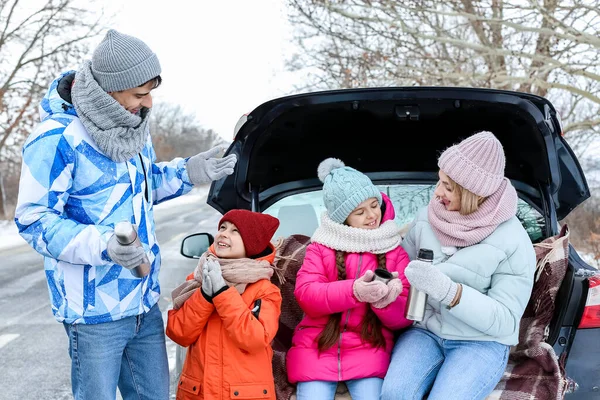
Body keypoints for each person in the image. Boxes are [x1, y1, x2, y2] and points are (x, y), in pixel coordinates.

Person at [14, 29, 237, 400]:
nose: (148, 102)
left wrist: (188, 172)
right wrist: (104, 245)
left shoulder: (132, 128)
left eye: (150, 92)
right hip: (94, 314)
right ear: (108, 90)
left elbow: (142, 188)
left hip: (143, 303)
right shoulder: (57, 138)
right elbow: (34, 219)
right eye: (139, 93)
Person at [381, 131, 536, 400]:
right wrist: (385, 284)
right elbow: (402, 272)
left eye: (448, 187)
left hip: (480, 343)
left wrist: (451, 293)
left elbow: (505, 320)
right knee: (395, 395)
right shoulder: (425, 218)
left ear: (471, 193)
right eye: (439, 181)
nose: (438, 192)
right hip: (425, 332)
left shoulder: (513, 240)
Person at [286, 158, 412, 400]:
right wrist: (355, 292)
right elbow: (307, 295)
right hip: (316, 348)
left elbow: (404, 318)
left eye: (375, 205)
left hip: (370, 350)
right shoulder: (320, 248)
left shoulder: (395, 250)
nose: (372, 216)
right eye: (360, 212)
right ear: (343, 217)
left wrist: (385, 302)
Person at [166, 209, 282, 399]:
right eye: (223, 227)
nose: (224, 233)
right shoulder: (199, 280)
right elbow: (179, 333)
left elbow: (254, 339)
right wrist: (204, 295)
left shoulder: (265, 290)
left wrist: (221, 293)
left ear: (251, 244)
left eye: (235, 231)